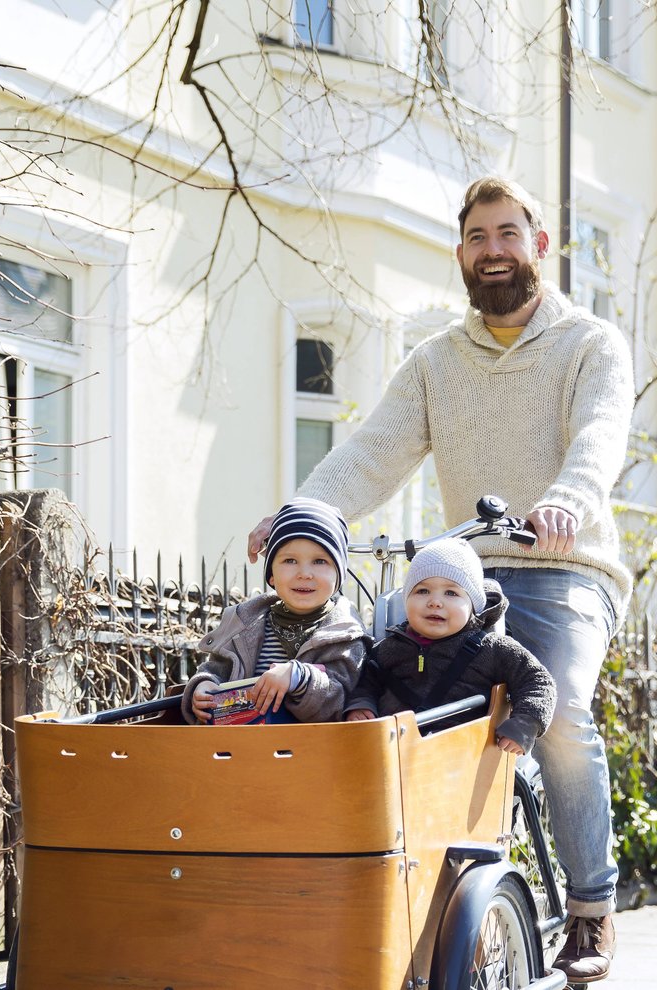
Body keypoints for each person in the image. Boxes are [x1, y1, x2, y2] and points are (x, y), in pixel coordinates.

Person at [249, 176, 633, 981]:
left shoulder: (590, 343)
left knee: (558, 708)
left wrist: (568, 498)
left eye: (507, 234)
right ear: (461, 254)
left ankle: (592, 912)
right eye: (477, 238)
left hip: (566, 565)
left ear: (539, 245)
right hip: (463, 572)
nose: (493, 250)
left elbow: (600, 435)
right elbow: (373, 450)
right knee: (363, 686)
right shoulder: (437, 363)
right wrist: (302, 512)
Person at [343, 540, 555, 759]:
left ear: (473, 604)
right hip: (397, 757)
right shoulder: (389, 647)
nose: (435, 601)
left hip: (464, 758)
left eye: (451, 593)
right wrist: (361, 707)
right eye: (422, 591)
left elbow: (538, 681)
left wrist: (525, 723)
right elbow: (366, 683)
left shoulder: (491, 648)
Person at [183, 498, 366, 724]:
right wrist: (205, 685)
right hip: (239, 747)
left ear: (338, 577)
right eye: (290, 560)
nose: (304, 573)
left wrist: (298, 677)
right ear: (271, 575)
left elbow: (339, 700)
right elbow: (217, 669)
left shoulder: (342, 633)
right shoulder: (246, 624)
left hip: (309, 749)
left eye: (319, 561)